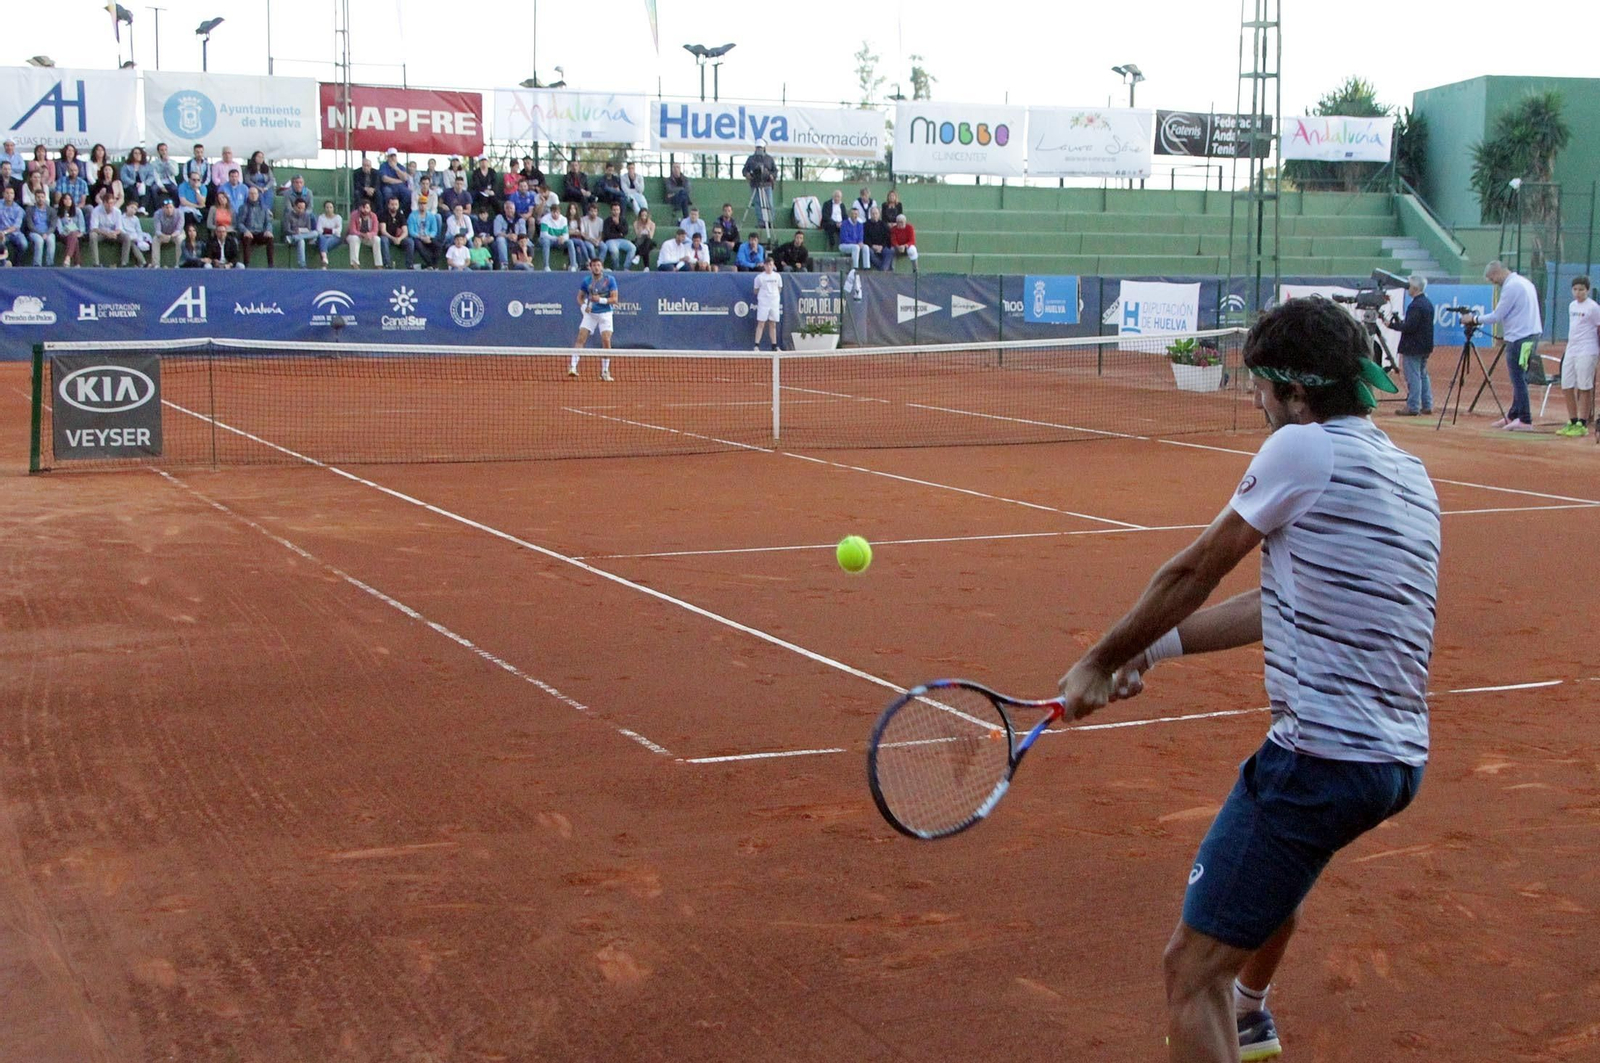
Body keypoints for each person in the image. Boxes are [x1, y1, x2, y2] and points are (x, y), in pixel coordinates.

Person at [1055, 296, 1438, 1063]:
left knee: (1189, 969)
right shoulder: (1407, 471)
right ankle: (1253, 1012)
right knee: (1267, 881)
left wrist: (1098, 658)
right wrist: (1151, 651)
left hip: (1318, 758)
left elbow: (1195, 567)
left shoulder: (1303, 449)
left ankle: (1235, 1005)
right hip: (1393, 762)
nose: (1253, 398)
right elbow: (1277, 604)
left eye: (1262, 385)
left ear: (1299, 393)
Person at [1461, 260, 1543, 432]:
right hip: (1530, 336)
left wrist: (1474, 319)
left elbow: (1497, 315)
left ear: (1498, 273)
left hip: (1519, 339)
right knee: (1521, 376)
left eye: (1492, 279)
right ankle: (1514, 415)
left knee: (1518, 378)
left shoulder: (1511, 286)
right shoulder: (1524, 282)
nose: (1493, 283)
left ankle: (1525, 419)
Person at [1384, 275, 1434, 416]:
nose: (1407, 288)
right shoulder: (1427, 303)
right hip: (1424, 346)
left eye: (1409, 286)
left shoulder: (1416, 305)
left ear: (1415, 288)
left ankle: (1413, 406)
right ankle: (1427, 404)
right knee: (1423, 375)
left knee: (1414, 377)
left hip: (1413, 346)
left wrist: (1393, 325)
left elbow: (1410, 327)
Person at [1558, 276, 1600, 437]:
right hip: (1571, 349)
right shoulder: (1571, 306)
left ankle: (1582, 423)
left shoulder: (1593, 308)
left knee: (1584, 386)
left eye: (1581, 289)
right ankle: (1572, 420)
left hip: (1587, 350)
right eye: (1575, 289)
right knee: (1566, 384)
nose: (1578, 292)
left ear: (1587, 290)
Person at [570, 257, 617, 382]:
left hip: (606, 314)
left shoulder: (610, 280)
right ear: (590, 267)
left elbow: (614, 299)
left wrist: (600, 300)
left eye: (599, 265)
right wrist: (584, 306)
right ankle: (573, 367)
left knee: (606, 340)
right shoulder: (586, 281)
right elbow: (579, 297)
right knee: (581, 337)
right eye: (594, 265)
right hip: (590, 315)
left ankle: (605, 371)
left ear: (601, 267)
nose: (596, 267)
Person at [742, 138, 777, 230]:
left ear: (764, 148)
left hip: (766, 185)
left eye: (760, 148)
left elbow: (775, 171)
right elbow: (744, 170)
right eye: (757, 148)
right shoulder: (751, 159)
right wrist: (747, 174)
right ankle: (761, 222)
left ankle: (770, 222)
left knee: (769, 203)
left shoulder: (769, 159)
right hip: (755, 184)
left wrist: (772, 176)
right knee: (757, 204)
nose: (759, 150)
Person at [238, 186, 276, 267]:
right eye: (251, 193)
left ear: (258, 195)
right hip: (248, 233)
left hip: (260, 233)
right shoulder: (243, 207)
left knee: (270, 239)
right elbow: (240, 223)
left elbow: (268, 222)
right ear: (248, 195)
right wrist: (245, 231)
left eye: (255, 193)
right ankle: (246, 264)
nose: (253, 195)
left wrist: (268, 230)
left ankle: (271, 264)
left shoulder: (264, 208)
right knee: (246, 239)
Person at [752, 257, 783, 351]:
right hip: (763, 303)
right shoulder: (759, 277)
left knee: (772, 324)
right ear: (764, 266)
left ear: (773, 265)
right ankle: (756, 345)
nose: (769, 267)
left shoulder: (777, 276)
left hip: (774, 303)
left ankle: (774, 346)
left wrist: (773, 296)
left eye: (771, 265)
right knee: (761, 323)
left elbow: (779, 288)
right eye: (767, 265)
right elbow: (755, 290)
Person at [87, 191, 124, 265]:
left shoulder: (117, 212)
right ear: (104, 203)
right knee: (92, 235)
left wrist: (114, 233)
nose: (110, 206)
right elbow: (94, 228)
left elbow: (119, 228)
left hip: (113, 233)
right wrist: (107, 234)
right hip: (101, 233)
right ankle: (96, 263)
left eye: (112, 203)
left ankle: (124, 262)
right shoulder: (96, 211)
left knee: (126, 237)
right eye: (108, 203)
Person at [405, 200, 442, 269]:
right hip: (417, 237)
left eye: (424, 204)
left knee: (438, 245)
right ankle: (431, 265)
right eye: (421, 204)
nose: (422, 206)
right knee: (419, 245)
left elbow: (434, 230)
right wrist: (421, 237)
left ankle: (433, 265)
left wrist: (429, 236)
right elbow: (411, 231)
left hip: (428, 236)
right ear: (418, 205)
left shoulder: (431, 216)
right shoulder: (412, 216)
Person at [23, 190, 55, 266]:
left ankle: (49, 264)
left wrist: (46, 233)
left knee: (51, 240)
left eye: (42, 197)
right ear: (35, 198)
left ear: (45, 198)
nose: (40, 199)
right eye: (38, 197)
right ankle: (37, 265)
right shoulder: (29, 209)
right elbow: (30, 225)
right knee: (39, 241)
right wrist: (40, 234)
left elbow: (53, 226)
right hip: (34, 232)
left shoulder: (51, 210)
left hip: (48, 232)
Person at [839, 207, 867, 297]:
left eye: (856, 214)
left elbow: (861, 237)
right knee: (856, 247)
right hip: (844, 245)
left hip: (855, 245)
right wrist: (857, 244)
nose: (855, 216)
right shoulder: (844, 224)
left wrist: (860, 243)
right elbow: (844, 238)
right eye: (853, 214)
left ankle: (867, 268)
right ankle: (855, 268)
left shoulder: (860, 224)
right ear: (850, 214)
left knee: (865, 247)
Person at [347, 200, 383, 268]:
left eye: (367, 208)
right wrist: (363, 234)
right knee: (354, 238)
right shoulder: (354, 215)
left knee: (377, 239)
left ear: (370, 208)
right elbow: (352, 230)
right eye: (363, 208)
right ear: (360, 208)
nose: (365, 210)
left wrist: (370, 234)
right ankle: (355, 264)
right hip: (356, 236)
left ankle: (378, 264)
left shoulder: (373, 216)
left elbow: (375, 230)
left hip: (368, 237)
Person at [53, 193, 85, 267]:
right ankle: (77, 263)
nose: (68, 201)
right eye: (65, 199)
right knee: (73, 237)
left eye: (70, 199)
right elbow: (60, 229)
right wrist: (67, 233)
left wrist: (80, 233)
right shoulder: (58, 212)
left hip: (77, 233)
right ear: (62, 201)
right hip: (64, 234)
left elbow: (82, 226)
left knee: (74, 236)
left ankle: (68, 258)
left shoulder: (78, 211)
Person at [283, 198, 317, 269]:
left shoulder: (307, 216)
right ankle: (302, 265)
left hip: (300, 236)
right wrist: (295, 232)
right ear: (294, 207)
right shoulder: (288, 215)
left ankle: (294, 238)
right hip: (290, 236)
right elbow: (286, 230)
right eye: (299, 208)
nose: (301, 210)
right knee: (301, 241)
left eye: (303, 208)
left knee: (315, 233)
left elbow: (309, 229)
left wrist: (300, 232)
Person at [149, 198, 184, 267]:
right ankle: (156, 264)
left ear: (174, 207)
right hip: (163, 234)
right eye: (167, 207)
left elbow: (179, 229)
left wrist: (171, 236)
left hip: (176, 234)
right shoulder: (157, 214)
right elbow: (157, 231)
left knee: (180, 239)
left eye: (171, 207)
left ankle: (179, 264)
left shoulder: (180, 213)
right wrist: (164, 236)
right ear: (163, 208)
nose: (169, 209)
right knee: (155, 240)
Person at [601, 202, 636, 270]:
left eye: (617, 210)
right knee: (614, 251)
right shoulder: (607, 221)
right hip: (610, 241)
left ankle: (626, 267)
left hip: (622, 240)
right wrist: (619, 234)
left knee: (633, 248)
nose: (616, 212)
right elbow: (607, 234)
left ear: (620, 211)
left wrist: (617, 224)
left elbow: (625, 232)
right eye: (614, 210)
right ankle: (616, 268)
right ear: (611, 211)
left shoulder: (622, 220)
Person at [537, 202, 571, 270]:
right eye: (553, 212)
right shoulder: (545, 219)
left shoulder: (564, 219)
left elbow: (566, 235)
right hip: (546, 240)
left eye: (557, 212)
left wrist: (563, 238)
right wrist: (557, 238)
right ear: (550, 212)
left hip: (558, 241)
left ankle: (573, 265)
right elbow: (544, 235)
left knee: (570, 242)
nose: (555, 214)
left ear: (560, 212)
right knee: (546, 242)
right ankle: (546, 266)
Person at [116, 200, 151, 265]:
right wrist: (129, 237)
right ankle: (142, 262)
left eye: (135, 209)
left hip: (135, 237)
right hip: (124, 236)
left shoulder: (136, 219)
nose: (133, 210)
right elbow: (120, 229)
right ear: (127, 207)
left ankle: (142, 263)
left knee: (138, 243)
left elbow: (139, 231)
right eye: (131, 207)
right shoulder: (121, 217)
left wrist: (139, 239)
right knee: (131, 242)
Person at [120, 147, 154, 213]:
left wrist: (144, 184)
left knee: (147, 190)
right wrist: (134, 183)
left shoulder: (148, 165)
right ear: (132, 155)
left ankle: (142, 208)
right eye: (135, 153)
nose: (137, 155)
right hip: (130, 185)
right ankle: (136, 208)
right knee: (133, 191)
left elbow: (151, 176)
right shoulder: (126, 166)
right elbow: (124, 177)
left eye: (139, 153)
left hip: (144, 184)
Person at [492, 200, 523, 269]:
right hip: (504, 239)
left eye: (511, 208)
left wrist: (516, 236)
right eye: (507, 208)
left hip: (517, 239)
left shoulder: (520, 219)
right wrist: (508, 236)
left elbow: (523, 233)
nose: (509, 210)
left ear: (514, 209)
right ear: (504, 209)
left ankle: (526, 263)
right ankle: (504, 264)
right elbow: (496, 232)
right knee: (500, 239)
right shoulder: (499, 217)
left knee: (528, 242)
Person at [380, 196, 409, 268]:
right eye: (392, 204)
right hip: (388, 237)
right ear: (388, 205)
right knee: (383, 240)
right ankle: (387, 264)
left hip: (398, 239)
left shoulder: (401, 215)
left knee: (410, 242)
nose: (394, 206)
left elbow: (405, 231)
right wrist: (393, 238)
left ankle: (409, 265)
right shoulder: (383, 214)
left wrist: (399, 239)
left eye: (396, 204)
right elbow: (383, 231)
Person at [313, 200, 343, 267]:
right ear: (324, 208)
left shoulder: (338, 218)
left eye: (330, 207)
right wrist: (332, 230)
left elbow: (338, 231)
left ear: (333, 208)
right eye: (327, 207)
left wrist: (326, 230)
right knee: (321, 238)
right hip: (323, 237)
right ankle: (324, 258)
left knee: (324, 242)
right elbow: (319, 230)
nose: (329, 209)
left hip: (335, 238)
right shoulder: (321, 217)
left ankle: (323, 257)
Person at [245, 151, 275, 216]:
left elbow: (272, 179)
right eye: (259, 157)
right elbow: (247, 180)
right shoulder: (249, 168)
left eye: (262, 157)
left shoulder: (266, 168)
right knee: (258, 194)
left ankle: (267, 210)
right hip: (254, 186)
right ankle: (263, 211)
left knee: (269, 193)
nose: (261, 158)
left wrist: (266, 187)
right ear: (254, 158)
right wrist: (257, 188)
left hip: (265, 187)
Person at [863, 206, 892, 271]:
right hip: (871, 247)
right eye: (873, 214)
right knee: (869, 252)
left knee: (889, 252)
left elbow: (887, 238)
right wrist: (872, 246)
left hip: (882, 247)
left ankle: (883, 270)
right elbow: (865, 238)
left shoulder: (884, 225)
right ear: (870, 215)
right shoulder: (866, 225)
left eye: (876, 213)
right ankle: (884, 270)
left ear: (879, 214)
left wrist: (881, 246)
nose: (875, 215)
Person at [566, 202, 593, 269]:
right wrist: (575, 232)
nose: (572, 210)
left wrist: (574, 232)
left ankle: (580, 266)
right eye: (571, 209)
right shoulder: (565, 220)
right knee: (580, 243)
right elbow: (566, 232)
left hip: (578, 238)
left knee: (579, 248)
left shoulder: (579, 220)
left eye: (574, 209)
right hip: (569, 238)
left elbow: (581, 232)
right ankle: (588, 260)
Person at [712, 203, 739, 269]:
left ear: (731, 212)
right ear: (723, 211)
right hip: (721, 241)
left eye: (729, 211)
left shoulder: (733, 222)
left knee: (740, 246)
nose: (727, 212)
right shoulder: (718, 221)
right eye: (725, 211)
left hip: (731, 242)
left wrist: (733, 243)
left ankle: (738, 264)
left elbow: (737, 235)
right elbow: (717, 234)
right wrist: (726, 242)